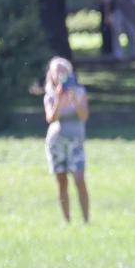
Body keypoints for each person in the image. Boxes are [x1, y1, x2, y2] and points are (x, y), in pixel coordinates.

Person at [43, 57, 90, 223]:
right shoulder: (50, 96)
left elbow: (84, 116)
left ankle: (86, 220)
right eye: (56, 71)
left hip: (75, 141)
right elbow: (51, 118)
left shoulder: (79, 92)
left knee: (79, 178)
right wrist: (58, 98)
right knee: (61, 181)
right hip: (56, 142)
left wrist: (73, 99)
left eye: (63, 70)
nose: (60, 74)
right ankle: (67, 220)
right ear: (51, 75)